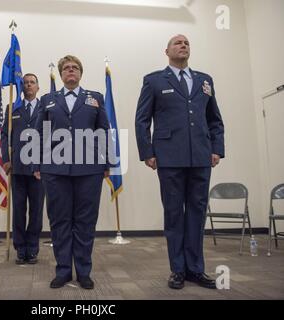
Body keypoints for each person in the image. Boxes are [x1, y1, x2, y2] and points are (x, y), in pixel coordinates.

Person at [135, 35, 225, 290]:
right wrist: (147, 152)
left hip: (200, 156)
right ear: (167, 51)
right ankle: (177, 269)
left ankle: (195, 269)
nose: (183, 45)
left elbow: (214, 119)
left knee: (197, 214)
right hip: (169, 157)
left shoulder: (204, 80)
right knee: (174, 214)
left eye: (186, 42)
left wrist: (216, 148)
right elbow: (142, 120)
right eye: (177, 42)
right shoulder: (153, 80)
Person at [33, 55, 110, 289]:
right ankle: (64, 270)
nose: (70, 71)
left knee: (86, 221)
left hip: (89, 170)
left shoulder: (95, 98)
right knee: (59, 221)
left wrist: (107, 163)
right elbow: (40, 133)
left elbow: (104, 131)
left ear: (80, 73)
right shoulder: (48, 99)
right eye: (66, 68)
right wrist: (37, 165)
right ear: (61, 73)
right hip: (55, 170)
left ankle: (84, 271)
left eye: (74, 68)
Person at [1, 73, 45, 265]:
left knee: (36, 210)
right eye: (25, 82)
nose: (28, 85)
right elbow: (4, 135)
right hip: (17, 166)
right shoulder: (13, 108)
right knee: (18, 209)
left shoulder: (46, 107)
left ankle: (33, 248)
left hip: (39, 168)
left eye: (32, 82)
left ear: (38, 87)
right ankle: (20, 247)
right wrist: (5, 158)